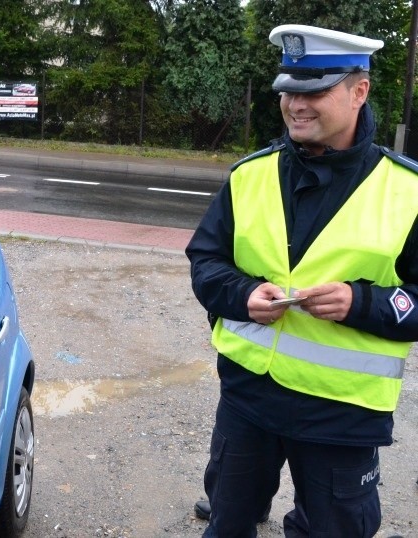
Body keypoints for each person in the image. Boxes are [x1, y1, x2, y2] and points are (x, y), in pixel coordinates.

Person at [186, 24, 418, 537]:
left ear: (360, 91)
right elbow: (206, 262)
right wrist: (244, 294)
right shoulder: (250, 175)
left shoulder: (409, 192)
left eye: (314, 90)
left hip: (343, 414)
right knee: (228, 522)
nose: (296, 104)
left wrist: (362, 302)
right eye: (288, 90)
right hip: (249, 398)